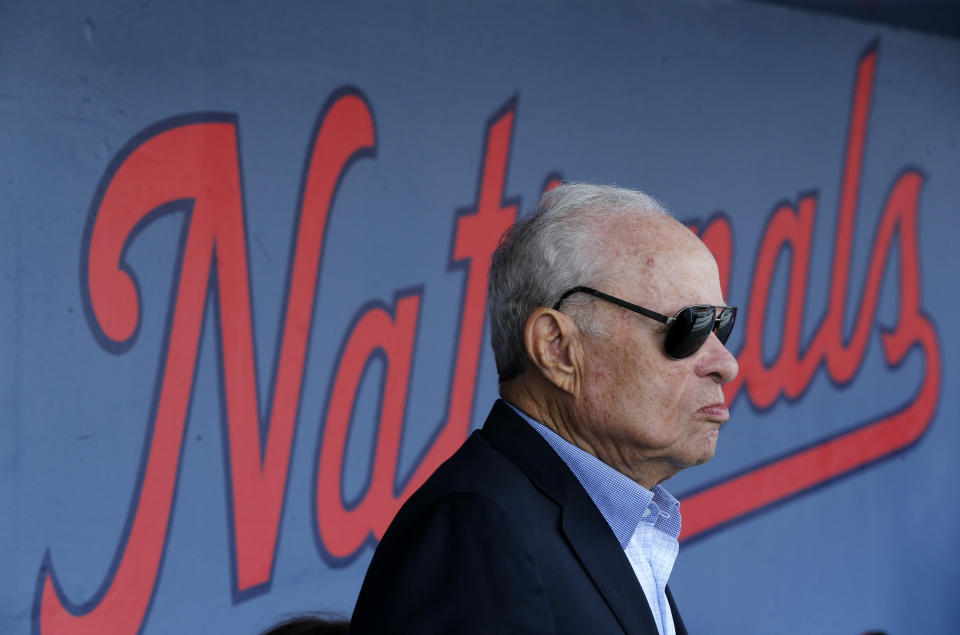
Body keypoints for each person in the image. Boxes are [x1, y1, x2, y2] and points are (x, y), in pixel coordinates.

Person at [350, 183, 739, 634]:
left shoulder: (602, 520)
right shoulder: (479, 530)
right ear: (556, 348)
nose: (725, 365)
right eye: (688, 328)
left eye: (721, 325)